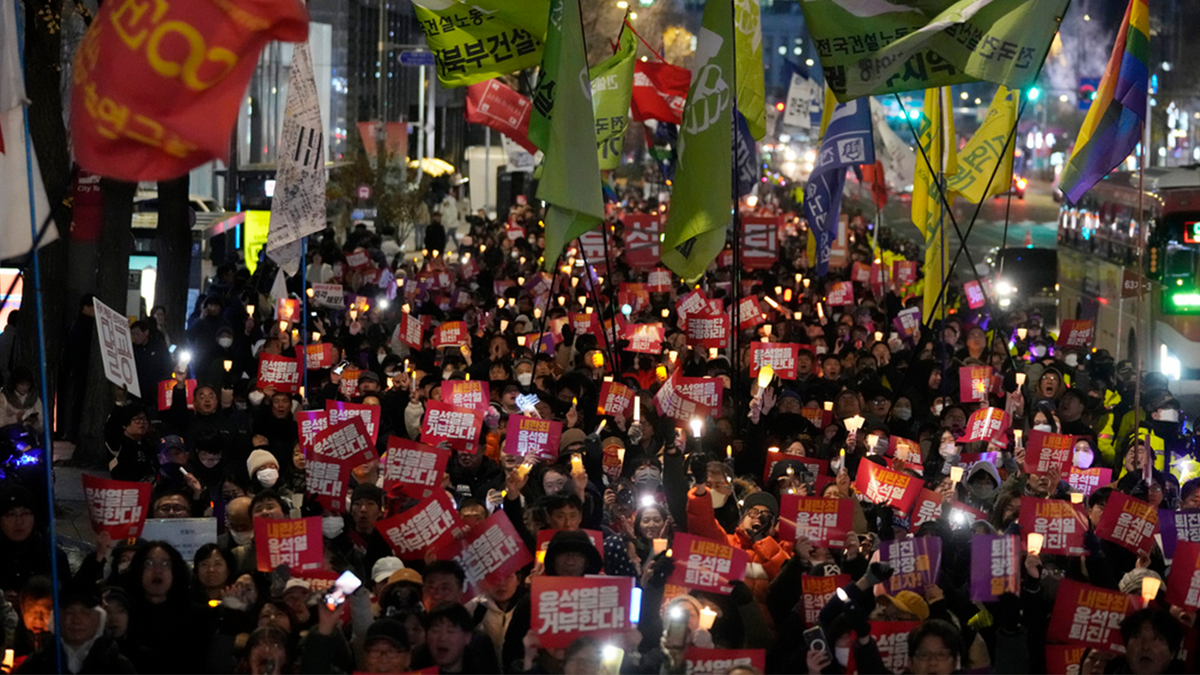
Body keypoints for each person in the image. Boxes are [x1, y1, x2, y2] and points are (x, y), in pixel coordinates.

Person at [0, 367, 43, 432]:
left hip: (30, 434)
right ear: (15, 383)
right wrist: (16, 418)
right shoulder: (4, 397)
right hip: (9, 436)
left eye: (27, 385)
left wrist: (34, 422)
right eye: (22, 384)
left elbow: (41, 426)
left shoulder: (34, 399)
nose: (25, 388)